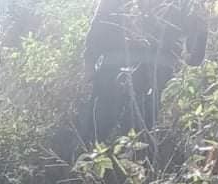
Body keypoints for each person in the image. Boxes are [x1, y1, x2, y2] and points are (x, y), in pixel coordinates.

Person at [80, 0, 207, 144]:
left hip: (143, 70)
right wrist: (89, 61)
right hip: (132, 68)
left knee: (103, 133)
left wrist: (89, 61)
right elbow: (195, 52)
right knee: (133, 135)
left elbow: (100, 21)